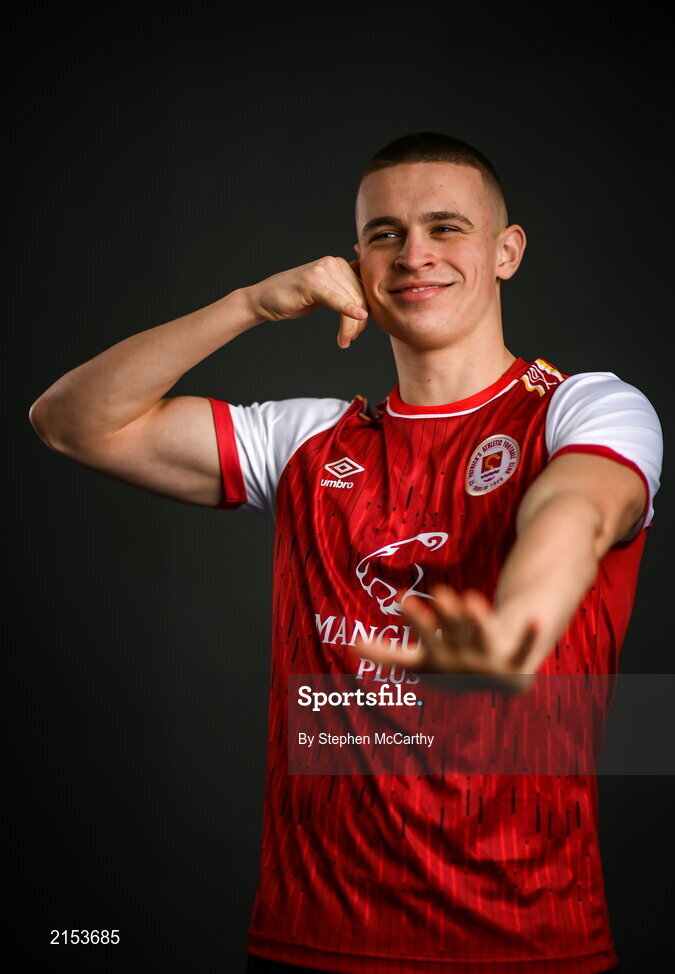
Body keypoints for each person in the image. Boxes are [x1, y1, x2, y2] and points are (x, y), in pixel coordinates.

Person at [28, 132, 662, 974]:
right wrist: (249, 304)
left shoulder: (583, 407)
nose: (414, 256)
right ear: (356, 260)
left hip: (529, 943)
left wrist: (520, 621)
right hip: (310, 943)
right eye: (383, 235)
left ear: (506, 252)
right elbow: (71, 422)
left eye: (445, 228)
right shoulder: (306, 439)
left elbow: (575, 506)